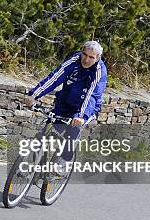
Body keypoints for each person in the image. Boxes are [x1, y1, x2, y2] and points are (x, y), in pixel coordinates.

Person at [28, 40, 108, 174]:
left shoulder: (99, 71)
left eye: (91, 57)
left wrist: (81, 116)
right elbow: (55, 77)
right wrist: (34, 94)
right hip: (65, 101)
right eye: (84, 54)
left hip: (85, 108)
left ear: (98, 58)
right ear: (81, 51)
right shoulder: (75, 60)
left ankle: (63, 163)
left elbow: (92, 95)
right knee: (44, 134)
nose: (86, 59)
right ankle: (35, 166)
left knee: (73, 131)